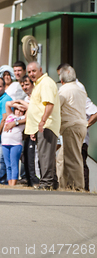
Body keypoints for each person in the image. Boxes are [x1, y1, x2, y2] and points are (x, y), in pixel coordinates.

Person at [57, 64, 97, 192]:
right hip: (81, 126)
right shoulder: (80, 89)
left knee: (73, 158)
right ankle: (65, 186)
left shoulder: (64, 90)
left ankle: (77, 187)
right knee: (65, 158)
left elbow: (56, 106)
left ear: (62, 80)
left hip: (71, 126)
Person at [25, 62, 61, 191]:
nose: (31, 74)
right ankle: (52, 182)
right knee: (45, 154)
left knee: (45, 155)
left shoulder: (46, 82)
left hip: (47, 125)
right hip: (41, 125)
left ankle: (46, 182)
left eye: (34, 71)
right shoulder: (39, 84)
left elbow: (49, 104)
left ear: (40, 69)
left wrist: (43, 121)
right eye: (29, 72)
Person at [13, 75, 40, 187]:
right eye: (22, 85)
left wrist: (19, 102)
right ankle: (30, 181)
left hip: (36, 131)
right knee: (27, 158)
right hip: (27, 132)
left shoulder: (36, 96)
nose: (24, 87)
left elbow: (32, 110)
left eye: (27, 84)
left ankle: (36, 181)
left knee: (34, 158)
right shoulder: (26, 99)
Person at [1, 101, 26, 186]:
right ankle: (9, 182)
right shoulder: (10, 115)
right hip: (5, 143)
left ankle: (13, 183)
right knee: (8, 165)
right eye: (17, 110)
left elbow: (29, 112)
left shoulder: (23, 118)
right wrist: (17, 104)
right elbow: (7, 104)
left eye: (21, 110)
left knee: (14, 163)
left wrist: (24, 106)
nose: (18, 112)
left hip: (16, 144)